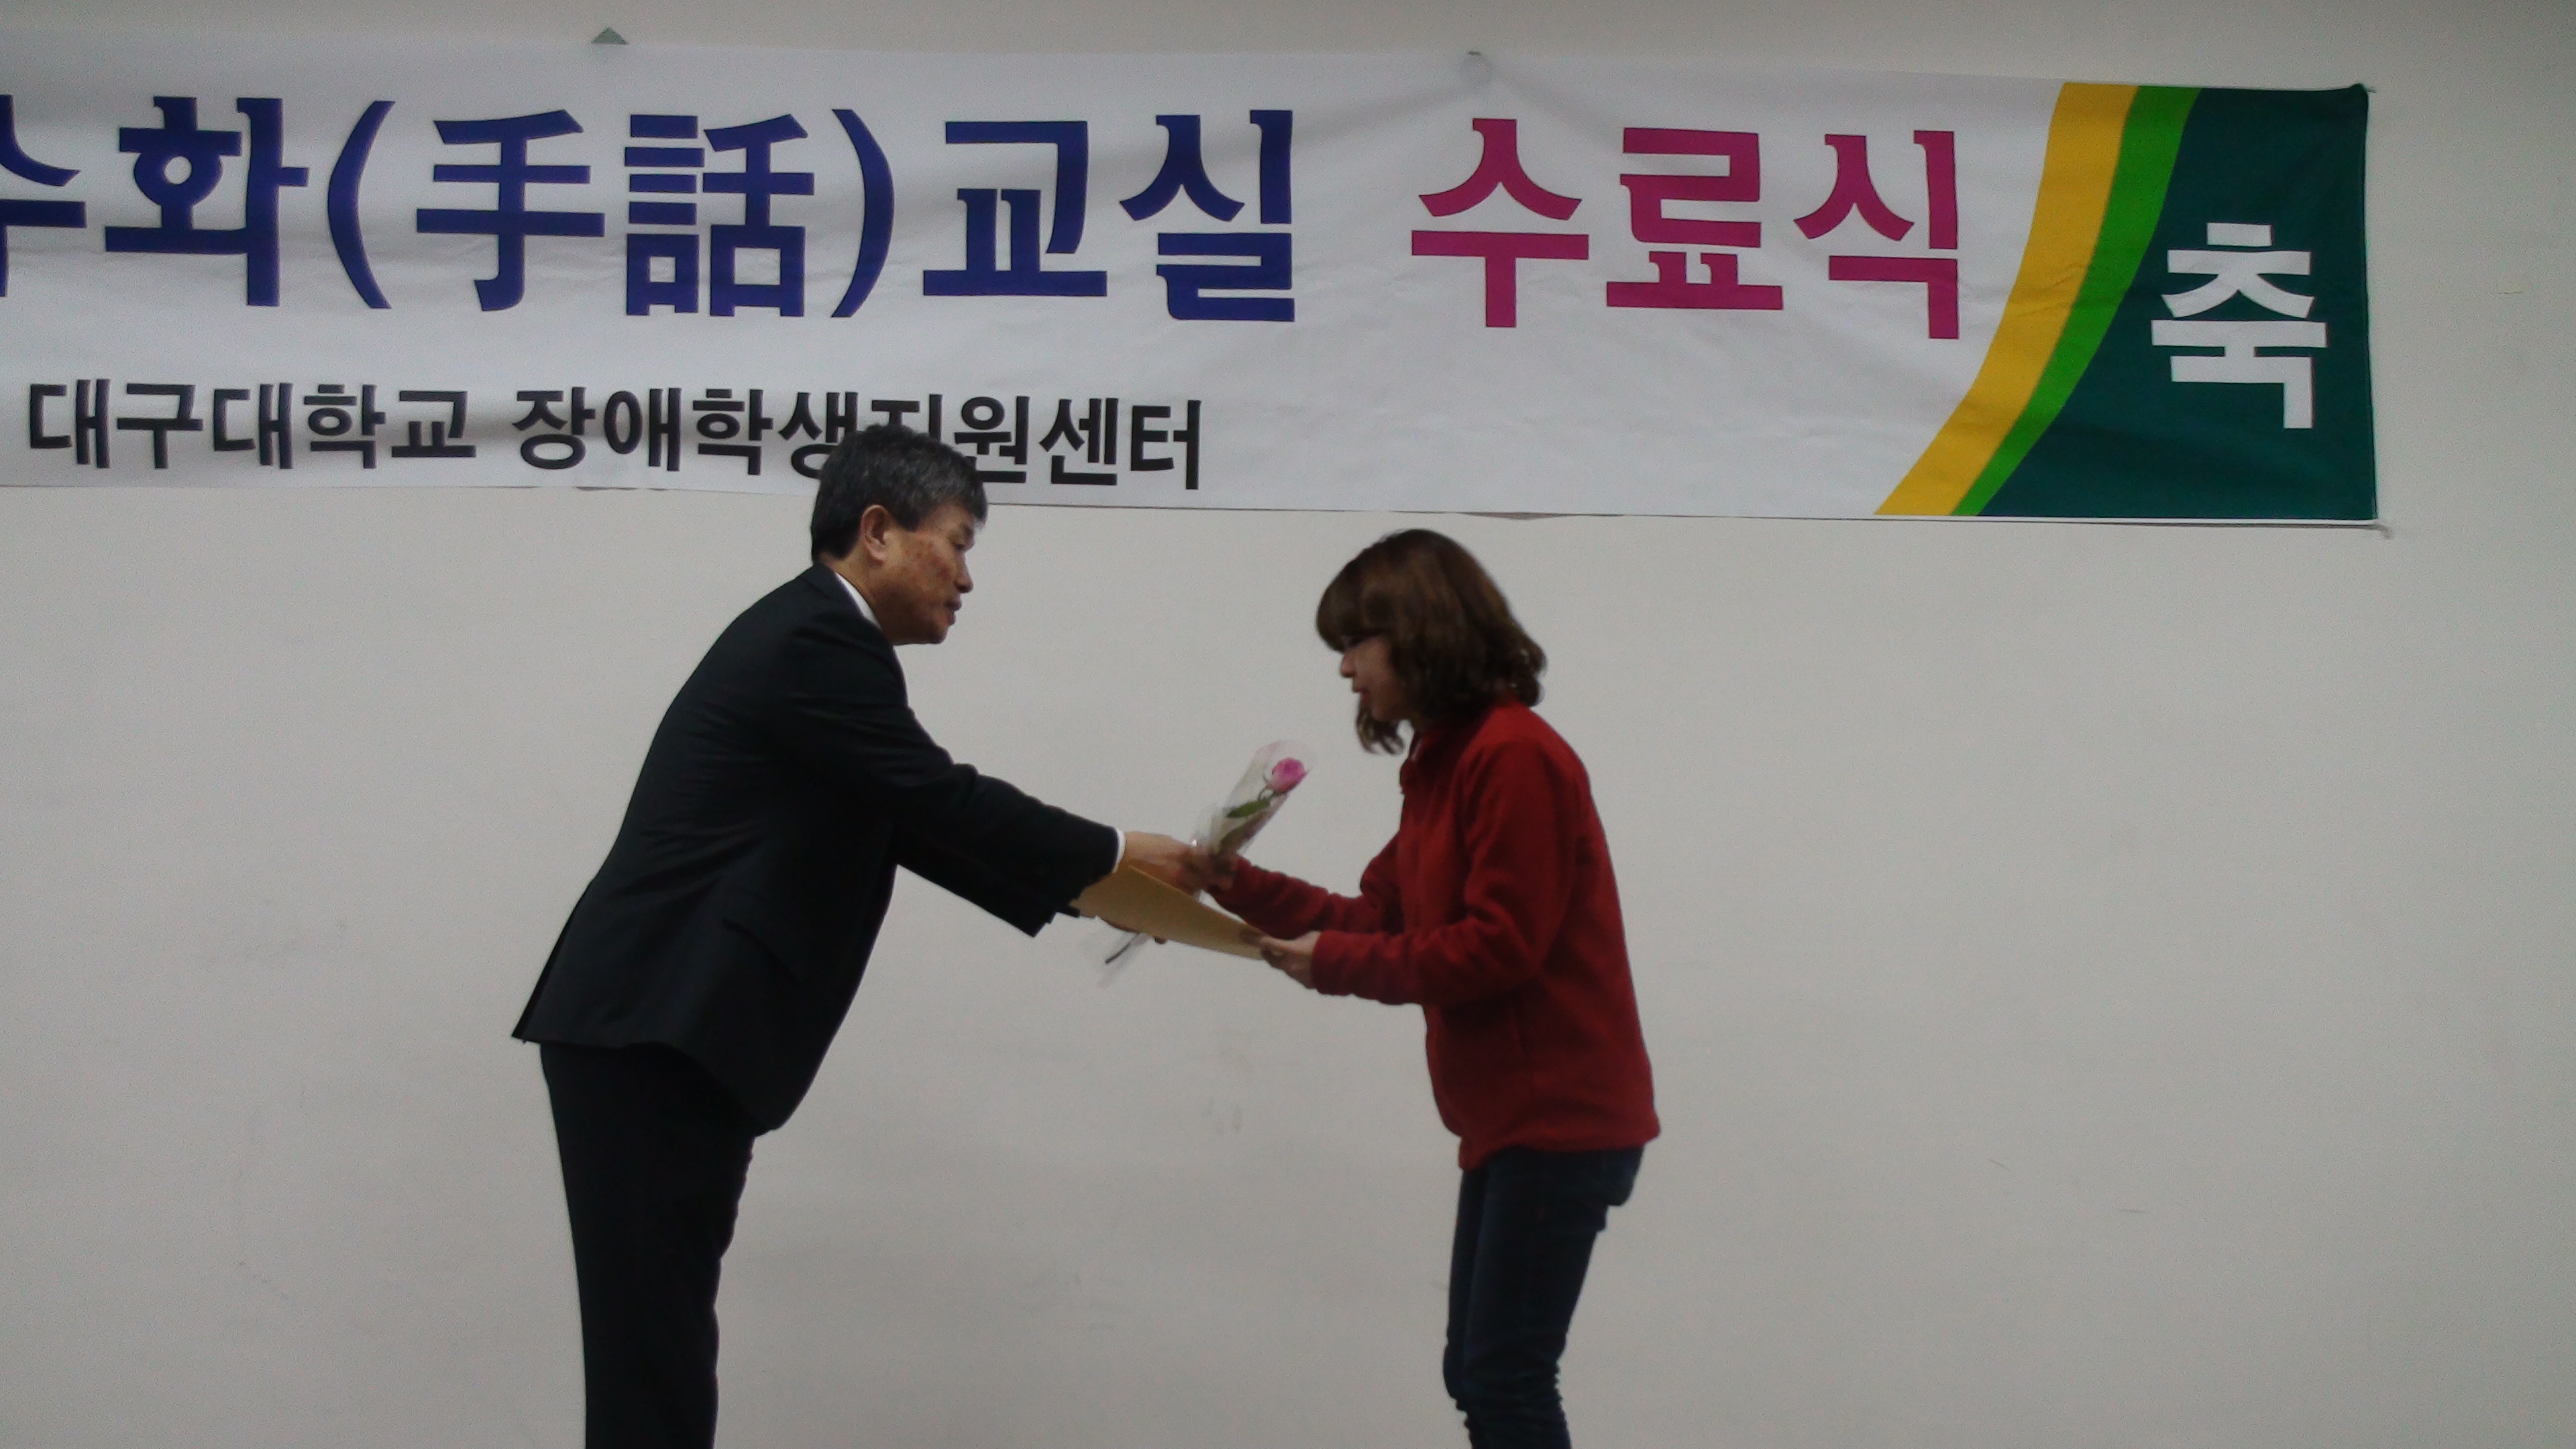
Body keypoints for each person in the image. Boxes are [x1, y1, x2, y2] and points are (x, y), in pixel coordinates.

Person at [513, 423, 1187, 1449]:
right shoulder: (816, 641)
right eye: (957, 543)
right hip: (652, 1027)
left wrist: (1109, 894)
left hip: (656, 1033)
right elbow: (936, 797)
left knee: (658, 1348)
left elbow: (910, 824)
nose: (967, 578)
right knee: (653, 1358)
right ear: (878, 532)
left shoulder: (820, 646)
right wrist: (1116, 849)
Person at [1190, 529, 1658, 1449]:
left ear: (1418, 632)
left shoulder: (1513, 756)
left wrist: (1331, 963)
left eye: (1354, 645)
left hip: (1561, 1119)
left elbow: (1500, 948)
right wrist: (1237, 885)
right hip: (1512, 1120)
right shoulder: (1445, 763)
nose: (1345, 671)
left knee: (1504, 1380)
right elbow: (1379, 916)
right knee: (1480, 1374)